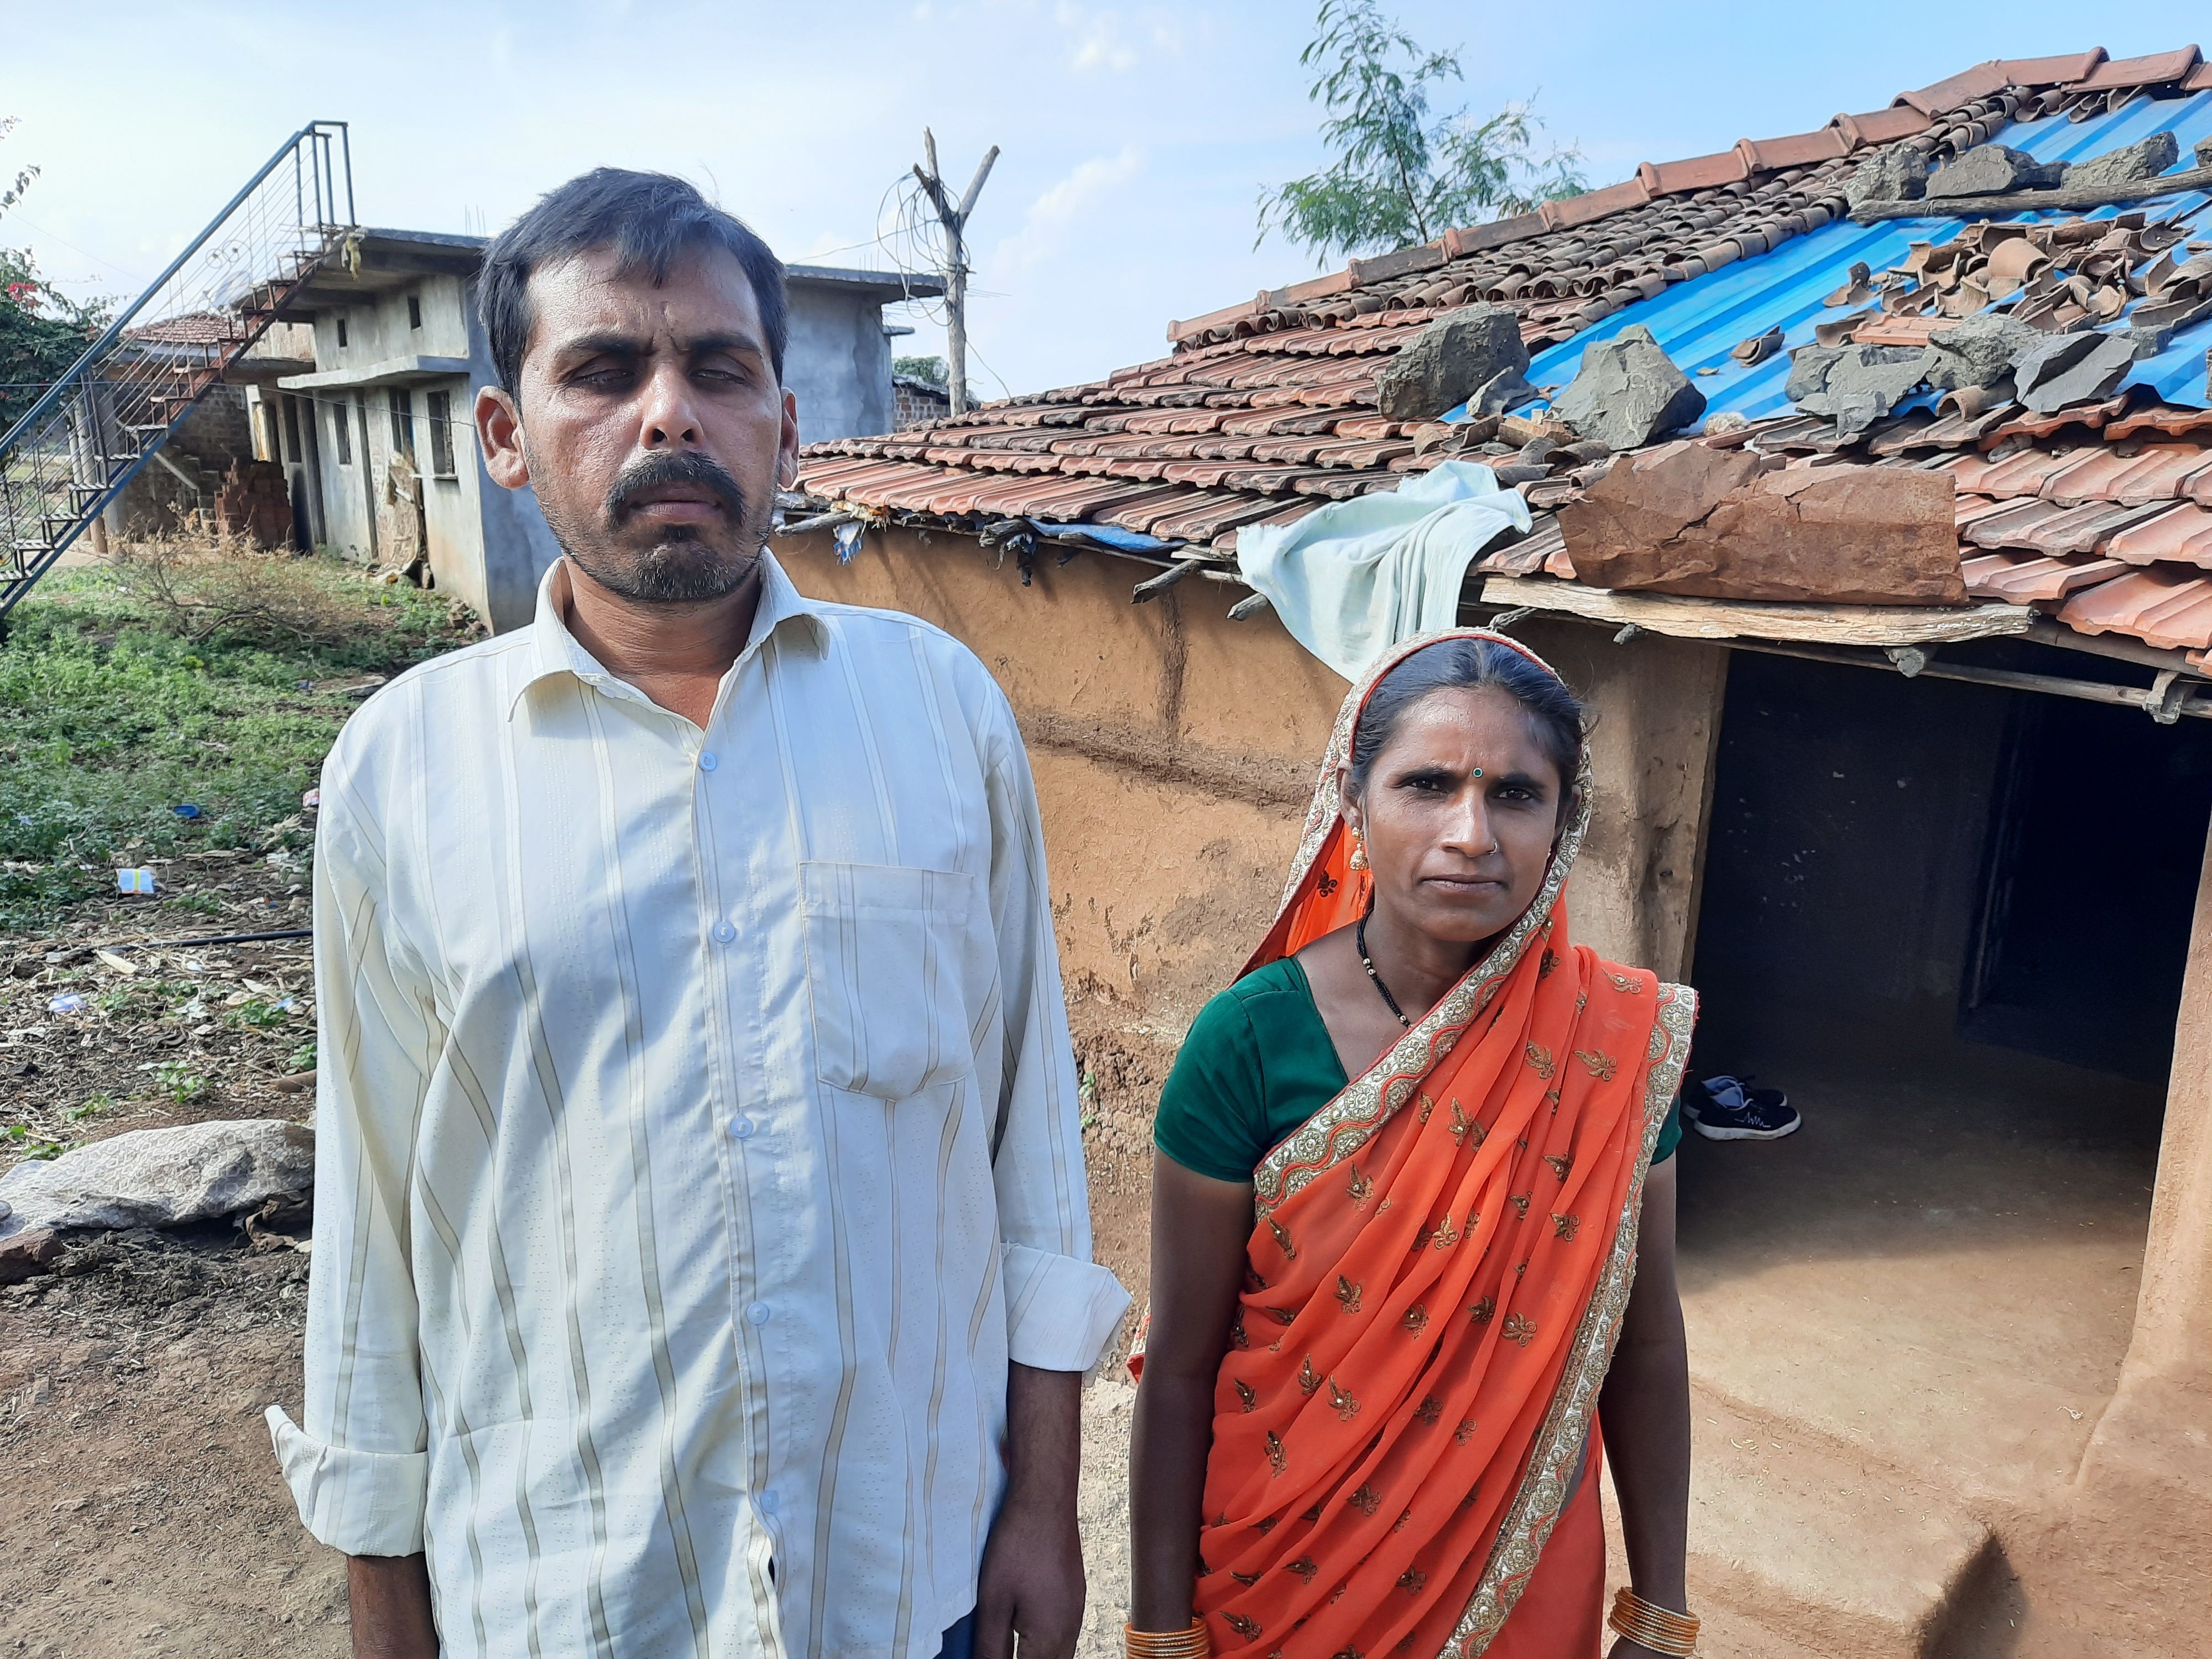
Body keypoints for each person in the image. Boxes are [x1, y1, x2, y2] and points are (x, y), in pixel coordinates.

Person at [265, 169, 1128, 1659]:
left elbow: (1029, 1146)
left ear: (785, 427)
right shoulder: (403, 770)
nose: (668, 414)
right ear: (505, 436)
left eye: (718, 370)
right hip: (568, 1595)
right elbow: (374, 1213)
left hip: (902, 1567)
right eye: (603, 370)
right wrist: (383, 1592)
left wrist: (1043, 1510)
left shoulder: (938, 715)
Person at [1126, 632, 1699, 1659]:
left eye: (1516, 795)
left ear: (1565, 820)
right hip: (1280, 1575)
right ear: (1353, 803)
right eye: (1427, 785)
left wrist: (1661, 1610)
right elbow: (1180, 1365)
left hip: (1516, 1572)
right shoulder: (1251, 1040)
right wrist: (1161, 1631)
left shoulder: (1614, 1048)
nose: (1471, 834)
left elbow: (1645, 1343)